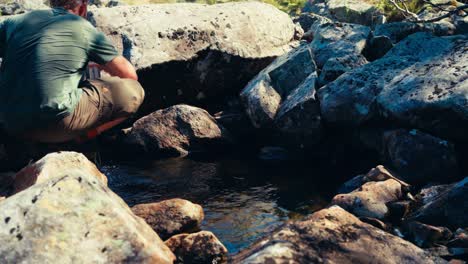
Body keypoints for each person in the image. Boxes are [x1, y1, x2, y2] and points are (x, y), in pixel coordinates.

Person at [0, 0, 145, 143]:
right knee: (133, 90)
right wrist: (100, 66)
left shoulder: (13, 22)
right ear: (82, 7)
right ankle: (85, 137)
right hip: (56, 125)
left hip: (10, 122)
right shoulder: (82, 27)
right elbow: (130, 76)